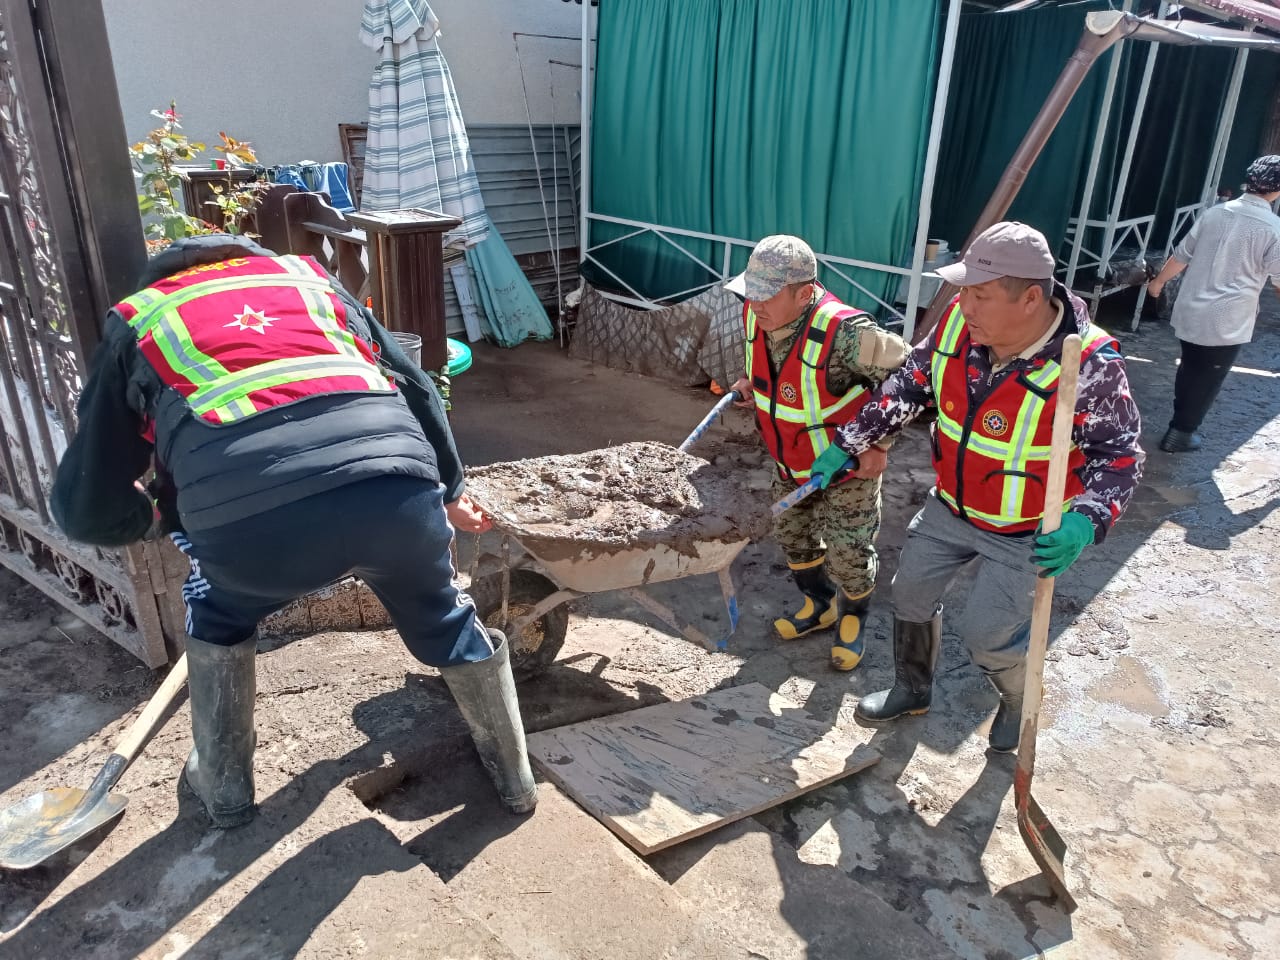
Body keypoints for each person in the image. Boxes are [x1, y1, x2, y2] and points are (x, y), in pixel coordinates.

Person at [51, 235, 536, 827]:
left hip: (255, 536)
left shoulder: (139, 320)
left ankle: (225, 790)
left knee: (219, 615)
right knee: (444, 612)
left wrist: (155, 517)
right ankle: (516, 779)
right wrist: (451, 492)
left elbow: (85, 507)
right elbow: (416, 387)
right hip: (395, 500)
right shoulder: (312, 281)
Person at [811, 221, 1144, 752]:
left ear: (1030, 298)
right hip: (951, 507)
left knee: (988, 635)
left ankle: (1017, 698)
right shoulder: (956, 327)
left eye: (980, 295)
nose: (964, 305)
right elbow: (908, 385)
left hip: (1026, 530)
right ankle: (912, 689)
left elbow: (1119, 458)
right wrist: (848, 441)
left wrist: (1086, 520)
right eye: (963, 291)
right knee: (910, 594)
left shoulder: (1089, 364)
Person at [726, 235, 907, 671]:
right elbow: (776, 370)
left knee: (849, 552)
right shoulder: (757, 315)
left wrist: (879, 444)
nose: (756, 304)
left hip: (847, 468)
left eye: (767, 295)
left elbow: (910, 378)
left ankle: (852, 620)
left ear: (804, 293)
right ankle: (820, 605)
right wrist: (753, 385)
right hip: (790, 461)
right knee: (793, 536)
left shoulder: (846, 333)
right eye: (751, 292)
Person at [1147, 155, 1280, 453]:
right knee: (1208, 376)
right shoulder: (1273, 228)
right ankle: (1181, 432)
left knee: (1191, 367)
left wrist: (1158, 282)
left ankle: (1180, 424)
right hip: (1228, 317)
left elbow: (1182, 254)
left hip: (1191, 308)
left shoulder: (1215, 213)